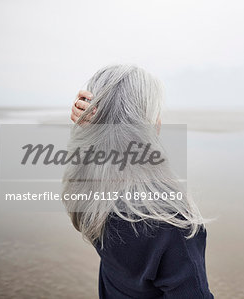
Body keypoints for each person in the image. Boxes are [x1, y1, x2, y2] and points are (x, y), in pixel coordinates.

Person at [66, 65, 214, 299]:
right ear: (144, 124)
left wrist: (87, 134)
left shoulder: (89, 195)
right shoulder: (168, 219)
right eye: (153, 112)